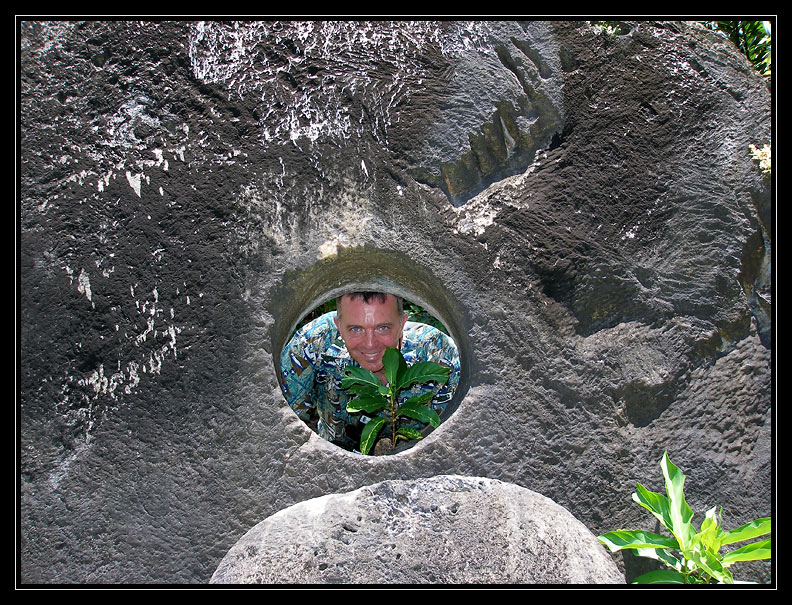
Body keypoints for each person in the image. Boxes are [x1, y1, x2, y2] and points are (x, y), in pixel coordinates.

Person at [279, 292, 460, 452]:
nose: (370, 344)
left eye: (383, 328)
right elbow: (278, 420)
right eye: (356, 329)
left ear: (402, 323)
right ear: (338, 325)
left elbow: (451, 438)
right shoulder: (316, 342)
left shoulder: (437, 354)